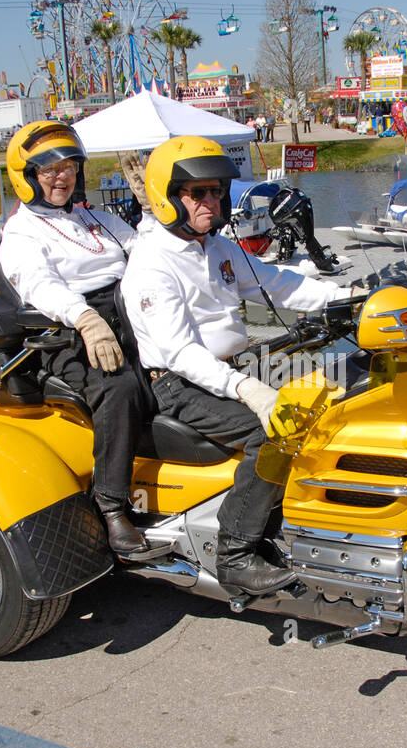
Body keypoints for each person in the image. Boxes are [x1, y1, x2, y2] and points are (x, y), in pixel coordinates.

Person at [120, 136, 362, 596]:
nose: (210, 201)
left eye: (216, 192)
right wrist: (248, 390)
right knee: (275, 429)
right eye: (197, 193)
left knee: (331, 393)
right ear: (167, 197)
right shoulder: (152, 263)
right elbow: (180, 353)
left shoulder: (215, 247)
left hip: (233, 365)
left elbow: (280, 283)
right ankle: (234, 552)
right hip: (179, 382)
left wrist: (352, 298)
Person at [0, 121, 160, 558]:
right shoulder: (21, 232)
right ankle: (111, 507)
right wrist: (86, 319)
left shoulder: (96, 218)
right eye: (49, 169)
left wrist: (152, 210)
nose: (62, 176)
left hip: (131, 316)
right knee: (120, 386)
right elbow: (38, 286)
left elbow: (146, 252)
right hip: (67, 333)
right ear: (26, 176)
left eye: (69, 167)